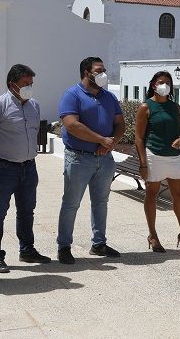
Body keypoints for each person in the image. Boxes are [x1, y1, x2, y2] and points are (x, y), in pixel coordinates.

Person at [56, 57, 126, 264]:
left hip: (104, 159)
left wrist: (111, 143)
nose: (104, 74)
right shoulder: (72, 95)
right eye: (99, 70)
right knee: (71, 203)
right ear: (87, 73)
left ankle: (99, 243)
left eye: (104, 70)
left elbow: (120, 123)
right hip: (78, 158)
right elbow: (72, 125)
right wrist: (101, 140)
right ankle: (64, 246)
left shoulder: (109, 97)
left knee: (101, 202)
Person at [0, 64, 51, 274]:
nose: (29, 88)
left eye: (31, 84)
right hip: (2, 168)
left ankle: (27, 250)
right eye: (25, 84)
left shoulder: (34, 106)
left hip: (29, 168)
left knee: (26, 212)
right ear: (12, 85)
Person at [134, 71, 180, 252]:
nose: (164, 85)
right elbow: (138, 138)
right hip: (154, 155)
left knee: (179, 196)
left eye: (168, 82)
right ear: (153, 85)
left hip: (173, 157)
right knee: (152, 195)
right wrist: (143, 164)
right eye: (161, 82)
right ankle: (152, 235)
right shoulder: (146, 107)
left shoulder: (175, 107)